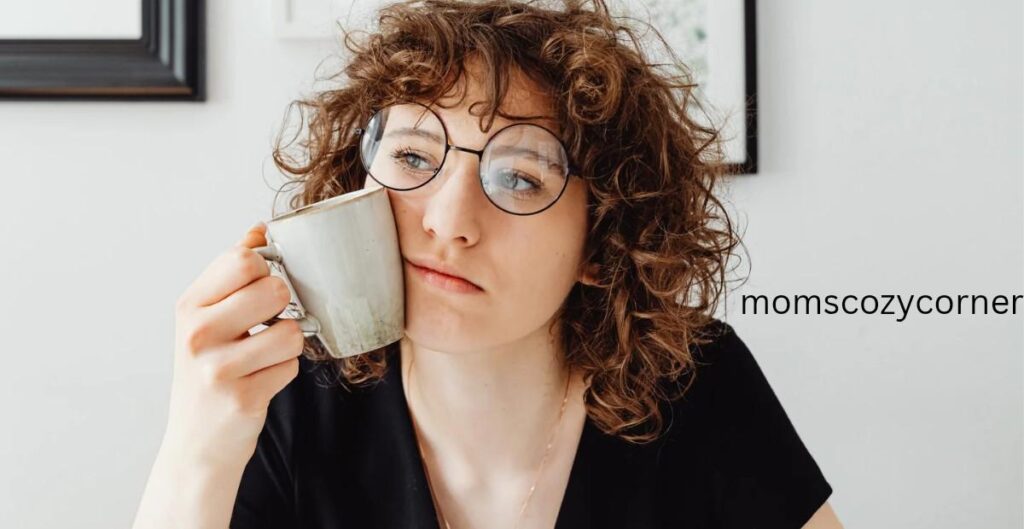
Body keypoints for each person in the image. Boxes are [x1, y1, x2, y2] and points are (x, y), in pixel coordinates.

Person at [132, 0, 842, 527]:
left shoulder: (695, 381)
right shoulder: (284, 395)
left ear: (602, 244)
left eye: (522, 179)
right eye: (412, 156)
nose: (447, 221)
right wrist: (200, 445)